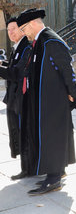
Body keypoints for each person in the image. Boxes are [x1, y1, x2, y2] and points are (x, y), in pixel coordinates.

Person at [16, 8, 76, 195]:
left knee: (52, 136)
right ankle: (57, 172)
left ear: (33, 24)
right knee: (49, 135)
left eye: (23, 28)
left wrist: (73, 93)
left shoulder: (51, 41)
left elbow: (66, 69)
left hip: (53, 100)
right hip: (46, 99)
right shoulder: (40, 41)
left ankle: (54, 179)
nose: (23, 33)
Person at [0, 17, 33, 180]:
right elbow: (12, 66)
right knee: (17, 131)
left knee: (22, 132)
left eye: (13, 29)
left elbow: (16, 73)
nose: (10, 32)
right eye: (8, 30)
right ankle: (26, 167)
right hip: (13, 98)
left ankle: (27, 169)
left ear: (22, 29)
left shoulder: (26, 48)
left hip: (20, 98)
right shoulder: (17, 47)